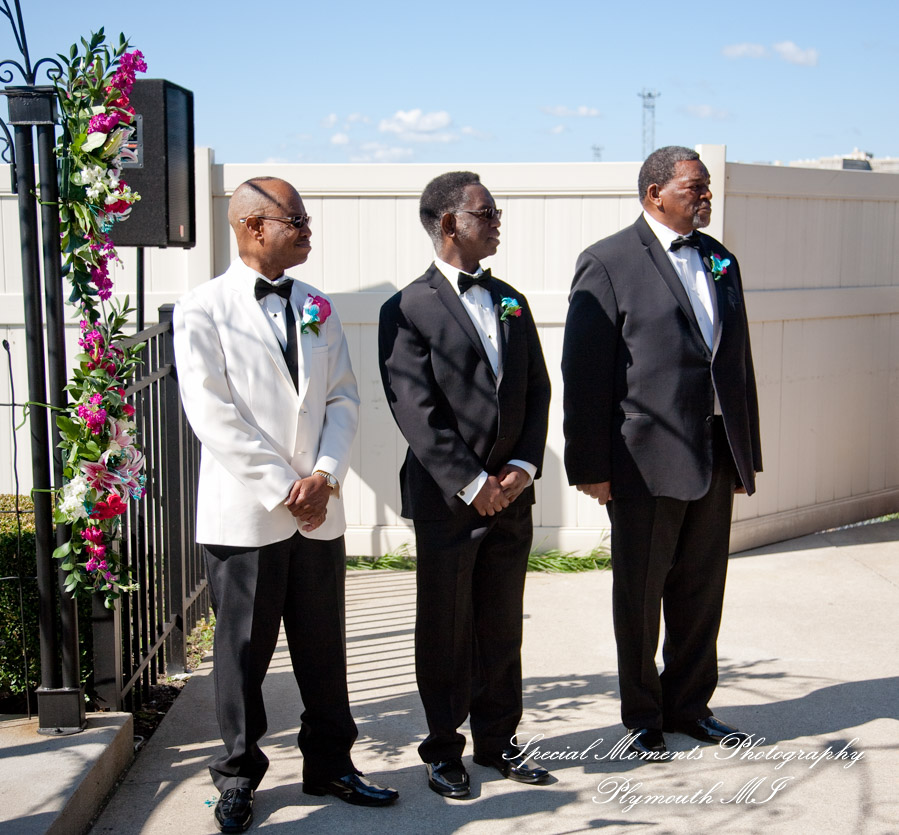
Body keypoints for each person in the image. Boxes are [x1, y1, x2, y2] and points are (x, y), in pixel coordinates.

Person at [173, 177, 398, 833]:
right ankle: (238, 775)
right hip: (246, 512)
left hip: (319, 508)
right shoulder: (202, 309)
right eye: (295, 220)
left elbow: (344, 398)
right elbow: (212, 414)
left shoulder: (317, 305)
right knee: (243, 653)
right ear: (250, 225)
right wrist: (283, 487)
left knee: (324, 647)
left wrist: (324, 475)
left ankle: (330, 762)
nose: (306, 230)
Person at [561, 146, 762, 757]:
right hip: (640, 462)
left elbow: (737, 361)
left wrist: (744, 452)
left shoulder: (721, 260)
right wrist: (591, 467)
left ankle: (691, 705)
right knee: (641, 595)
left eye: (706, 187)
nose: (706, 196)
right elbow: (585, 373)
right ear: (654, 193)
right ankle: (643, 716)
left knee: (702, 590)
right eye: (694, 187)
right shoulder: (608, 260)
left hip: (715, 454)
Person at [378, 171, 552, 797]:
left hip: (511, 493)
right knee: (447, 627)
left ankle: (499, 740)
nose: (498, 219)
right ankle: (442, 749)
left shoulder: (511, 299)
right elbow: (414, 409)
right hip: (448, 500)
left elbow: (536, 389)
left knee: (503, 623)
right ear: (449, 223)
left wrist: (522, 468)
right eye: (487, 212)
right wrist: (472, 482)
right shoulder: (406, 308)